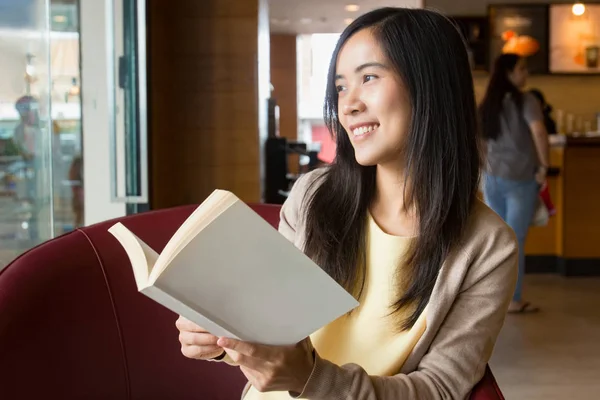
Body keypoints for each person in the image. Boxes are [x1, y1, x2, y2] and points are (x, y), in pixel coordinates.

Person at [176, 8, 518, 399]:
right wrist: (220, 336)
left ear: (431, 86)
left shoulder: (488, 245)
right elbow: (267, 324)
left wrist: (310, 379)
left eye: (368, 78)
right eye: (340, 87)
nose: (348, 105)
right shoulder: (312, 195)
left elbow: (440, 389)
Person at [479, 54, 550, 314]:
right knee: (515, 241)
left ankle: (492, 300)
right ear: (509, 72)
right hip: (520, 178)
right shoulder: (526, 100)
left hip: (491, 177)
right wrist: (544, 165)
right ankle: (513, 299)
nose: (526, 73)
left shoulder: (489, 103)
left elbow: (481, 142)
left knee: (495, 241)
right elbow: (540, 132)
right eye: (521, 68)